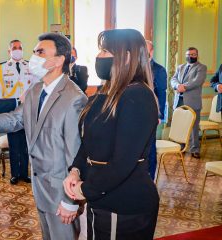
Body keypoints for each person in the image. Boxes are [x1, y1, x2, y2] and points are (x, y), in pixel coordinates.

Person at [0, 32, 87, 240]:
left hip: (61, 193)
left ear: (59, 60)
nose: (34, 57)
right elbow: (17, 119)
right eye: (34, 52)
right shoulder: (35, 89)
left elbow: (75, 154)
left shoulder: (74, 98)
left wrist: (70, 200)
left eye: (40, 52)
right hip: (40, 189)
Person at [64, 29, 160, 240]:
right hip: (101, 196)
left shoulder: (137, 96)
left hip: (123, 203)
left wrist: (86, 190)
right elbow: (88, 143)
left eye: (105, 50)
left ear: (126, 56)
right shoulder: (106, 93)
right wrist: (76, 170)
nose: (99, 56)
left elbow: (123, 163)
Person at [0, 40, 39, 184]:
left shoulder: (30, 66)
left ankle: (24, 173)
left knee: (25, 143)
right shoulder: (1, 69)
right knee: (14, 143)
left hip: (27, 109)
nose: (18, 50)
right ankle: (15, 173)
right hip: (11, 111)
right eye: (14, 48)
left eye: (20, 47)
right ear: (9, 51)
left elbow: (37, 87)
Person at [171, 47, 207, 159]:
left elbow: (197, 81)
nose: (190, 56)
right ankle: (180, 147)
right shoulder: (180, 67)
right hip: (179, 100)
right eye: (188, 54)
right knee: (180, 125)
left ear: (197, 55)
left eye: (193, 54)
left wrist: (183, 87)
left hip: (193, 101)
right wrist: (177, 86)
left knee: (194, 127)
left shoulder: (201, 67)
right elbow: (173, 79)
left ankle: (195, 149)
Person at [146, 40, 167, 180]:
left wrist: (159, 115)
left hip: (152, 114)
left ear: (152, 51)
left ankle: (150, 180)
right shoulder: (134, 67)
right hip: (136, 115)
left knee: (150, 149)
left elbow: (162, 93)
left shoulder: (159, 70)